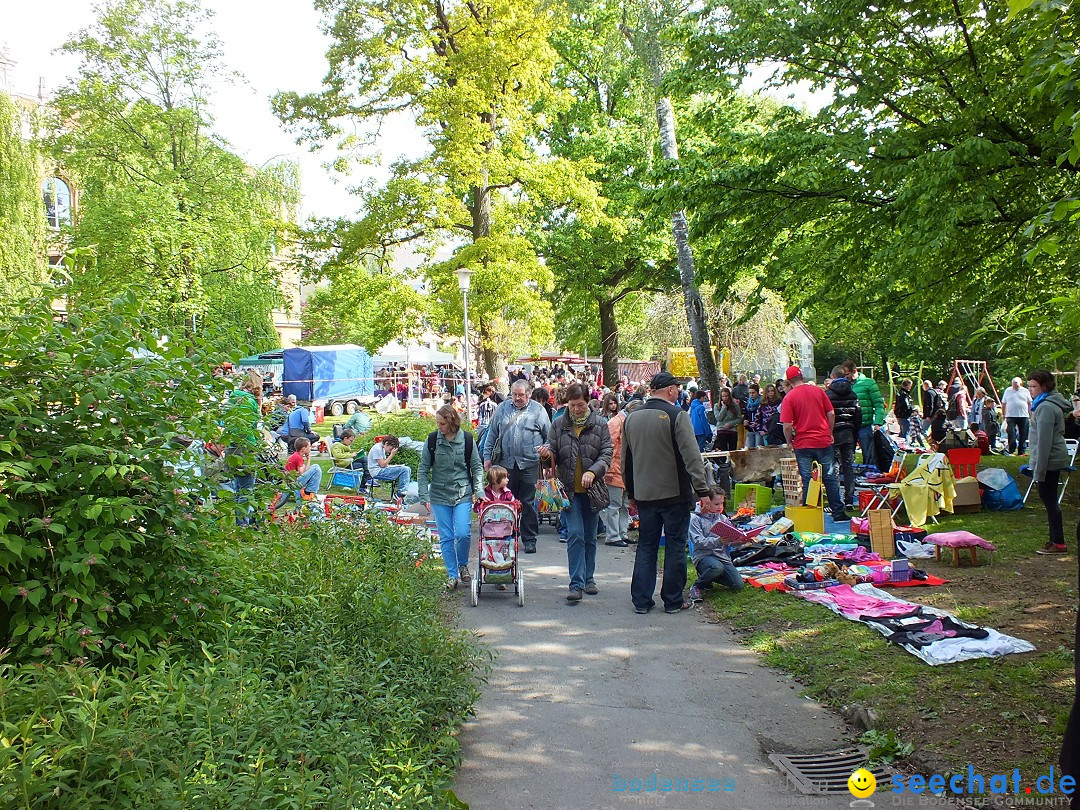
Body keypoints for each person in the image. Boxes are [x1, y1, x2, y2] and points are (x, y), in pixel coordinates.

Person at [623, 372, 711, 615]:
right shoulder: (677, 415)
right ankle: (672, 600)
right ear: (671, 390)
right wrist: (702, 490)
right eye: (676, 388)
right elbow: (691, 456)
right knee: (674, 546)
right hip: (674, 493)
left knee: (646, 545)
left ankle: (641, 600)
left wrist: (630, 493)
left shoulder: (631, 418)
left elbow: (626, 460)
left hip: (644, 494)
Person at [540, 383, 613, 602]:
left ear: (588, 402)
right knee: (575, 534)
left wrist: (593, 471)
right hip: (568, 490)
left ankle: (589, 578)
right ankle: (575, 583)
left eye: (580, 405)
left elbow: (606, 454)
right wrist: (545, 453)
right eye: (572, 405)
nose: (576, 409)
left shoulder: (600, 424)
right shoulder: (558, 424)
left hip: (593, 490)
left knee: (590, 536)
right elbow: (552, 450)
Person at [483, 380, 551, 554]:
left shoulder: (538, 410)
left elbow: (549, 437)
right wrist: (487, 457)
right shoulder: (502, 409)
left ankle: (529, 539)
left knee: (528, 503)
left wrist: (546, 451)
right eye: (515, 394)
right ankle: (507, 537)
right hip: (506, 464)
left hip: (530, 463)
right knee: (506, 502)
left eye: (521, 395)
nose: (518, 398)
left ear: (528, 394)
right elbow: (492, 434)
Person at [419, 405, 484, 588]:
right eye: (437, 423)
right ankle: (452, 575)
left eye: (442, 423)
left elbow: (477, 467)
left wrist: (478, 491)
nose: (439, 427)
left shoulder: (467, 440)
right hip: (439, 495)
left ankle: (463, 565)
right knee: (446, 536)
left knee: (463, 533)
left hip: (462, 493)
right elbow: (423, 469)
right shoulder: (432, 440)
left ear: (452, 422)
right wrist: (424, 495)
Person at [780, 366, 849, 521]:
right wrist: (829, 432)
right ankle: (838, 512)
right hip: (822, 440)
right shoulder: (818, 391)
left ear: (789, 381)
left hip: (803, 443)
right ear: (802, 376)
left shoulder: (789, 398)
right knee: (830, 477)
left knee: (806, 479)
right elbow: (831, 413)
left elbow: (787, 426)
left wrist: (789, 441)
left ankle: (809, 512)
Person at [1022, 370, 1072, 555]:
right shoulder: (1043, 404)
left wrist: (1039, 470)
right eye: (1029, 387)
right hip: (1048, 458)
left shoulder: (1045, 407)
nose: (1031, 390)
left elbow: (1044, 442)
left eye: (1034, 386)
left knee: (1050, 499)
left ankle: (1058, 542)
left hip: (1049, 460)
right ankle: (1054, 539)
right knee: (1049, 499)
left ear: (1045, 387)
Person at [687, 486, 744, 602]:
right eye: (716, 504)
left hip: (721, 556)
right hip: (703, 556)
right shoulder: (696, 519)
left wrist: (739, 541)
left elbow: (728, 543)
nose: (720, 507)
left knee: (737, 584)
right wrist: (719, 541)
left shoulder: (723, 518)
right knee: (716, 567)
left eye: (722, 504)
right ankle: (697, 586)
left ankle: (709, 577)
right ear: (706, 503)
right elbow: (698, 542)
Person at [601, 399, 640, 549]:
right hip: (615, 470)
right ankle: (612, 535)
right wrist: (608, 468)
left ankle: (621, 534)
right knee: (614, 505)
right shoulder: (616, 423)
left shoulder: (623, 421)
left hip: (623, 471)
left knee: (624, 505)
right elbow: (609, 448)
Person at [826, 367, 861, 508]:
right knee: (848, 468)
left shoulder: (827, 395)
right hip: (848, 433)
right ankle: (849, 500)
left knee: (832, 468)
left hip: (833, 433)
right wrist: (854, 433)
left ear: (833, 376)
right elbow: (858, 416)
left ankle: (835, 501)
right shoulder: (853, 394)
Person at [842, 361, 885, 471]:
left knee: (868, 454)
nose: (845, 377)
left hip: (864, 425)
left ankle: (870, 475)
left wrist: (878, 422)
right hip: (849, 426)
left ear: (854, 371)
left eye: (847, 374)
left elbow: (879, 404)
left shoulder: (869, 383)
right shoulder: (844, 385)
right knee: (848, 456)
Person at [273, 437, 322, 511]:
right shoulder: (298, 457)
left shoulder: (297, 455)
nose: (310, 447)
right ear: (303, 448)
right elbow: (302, 473)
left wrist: (308, 459)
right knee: (316, 468)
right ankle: (309, 492)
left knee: (315, 466)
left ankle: (309, 491)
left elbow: (305, 471)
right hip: (294, 482)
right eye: (309, 446)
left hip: (293, 480)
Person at [1003, 376, 1033, 455]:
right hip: (1010, 415)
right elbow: (1004, 403)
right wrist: (1004, 414)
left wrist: (1030, 413)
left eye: (1016, 384)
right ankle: (1011, 450)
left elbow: (1029, 403)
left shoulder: (1025, 391)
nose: (1015, 385)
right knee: (1011, 432)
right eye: (1013, 384)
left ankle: (1021, 451)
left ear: (1020, 383)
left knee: (1023, 434)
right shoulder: (1008, 391)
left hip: (1023, 415)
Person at [743, 383, 762, 448]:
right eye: (750, 393)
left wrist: (757, 423)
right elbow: (746, 414)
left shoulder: (762, 402)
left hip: (758, 430)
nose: (751, 395)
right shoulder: (748, 402)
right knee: (749, 448)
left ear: (757, 392)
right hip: (750, 429)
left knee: (758, 448)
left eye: (753, 393)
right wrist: (745, 421)